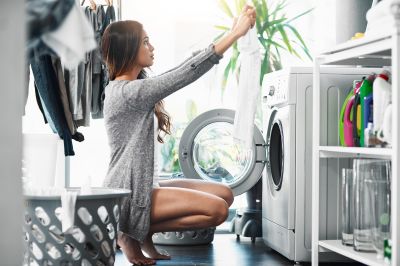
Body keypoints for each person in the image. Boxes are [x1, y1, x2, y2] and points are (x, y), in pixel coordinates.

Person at [101, 5, 256, 265]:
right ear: (128, 49)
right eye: (145, 42)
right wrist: (235, 35)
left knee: (226, 194)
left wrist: (231, 32)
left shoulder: (133, 88)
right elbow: (186, 74)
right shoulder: (127, 92)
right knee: (218, 210)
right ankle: (129, 233)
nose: (152, 47)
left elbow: (183, 67)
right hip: (130, 193)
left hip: (146, 184)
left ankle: (142, 232)